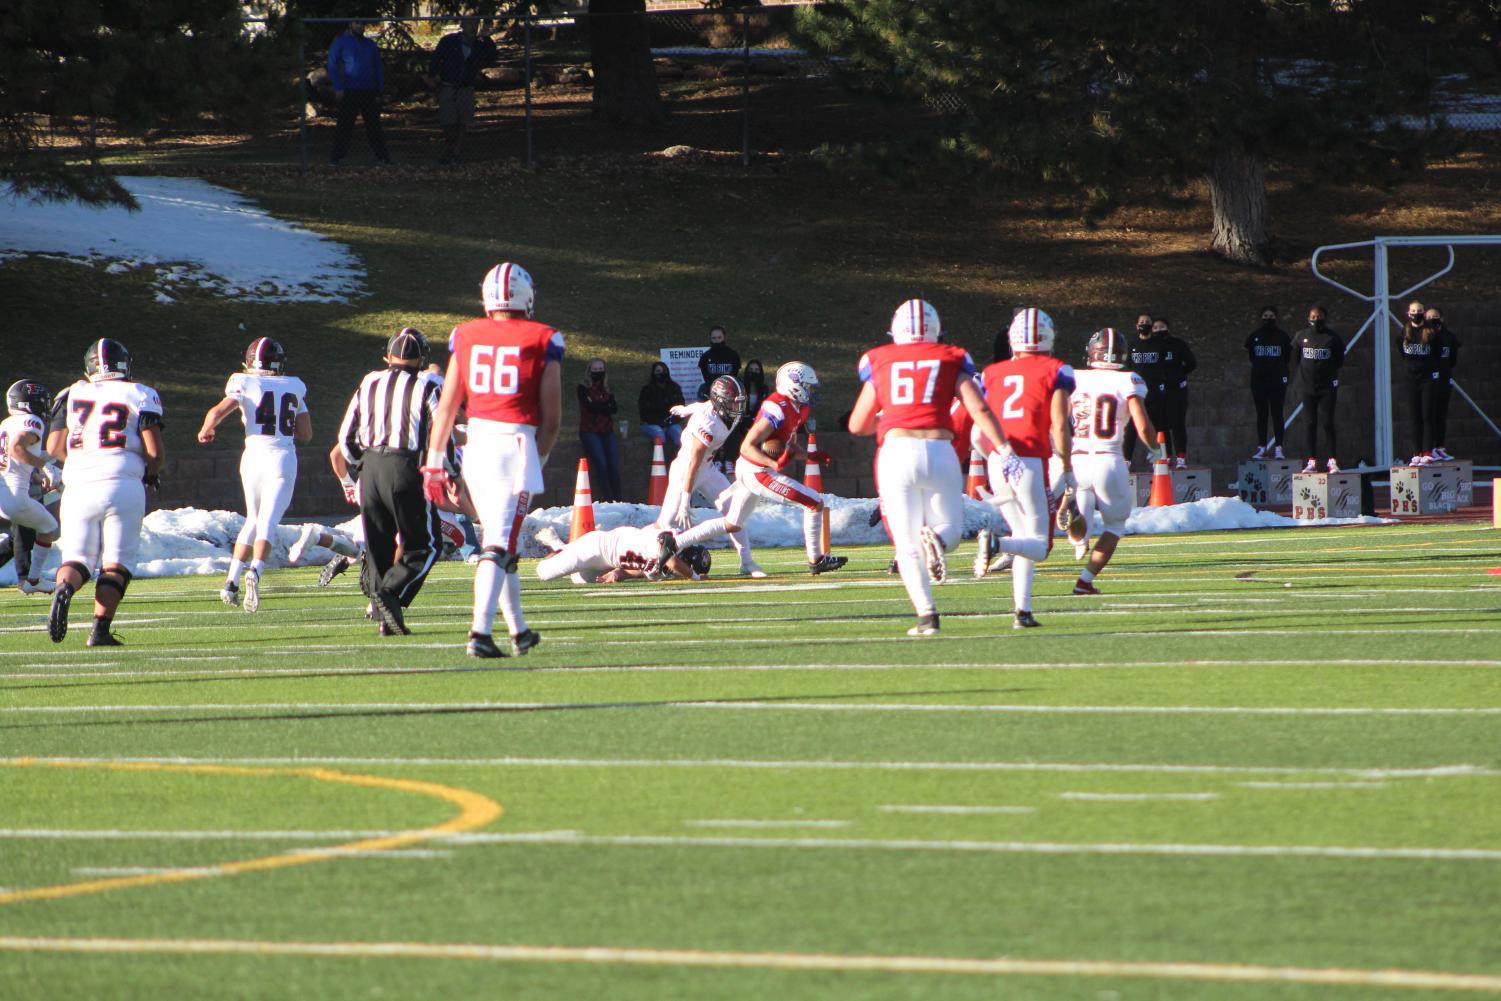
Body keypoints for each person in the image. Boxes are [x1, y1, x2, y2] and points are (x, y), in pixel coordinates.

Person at [423, 261, 562, 659]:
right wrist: (541, 456)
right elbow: (552, 418)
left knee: (502, 540)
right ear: (527, 296)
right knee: (498, 543)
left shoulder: (465, 335)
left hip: (477, 445)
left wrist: (435, 460)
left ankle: (519, 631)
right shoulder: (544, 337)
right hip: (515, 445)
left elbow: (447, 407)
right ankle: (479, 632)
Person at [848, 299, 1012, 636]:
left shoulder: (879, 359)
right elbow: (979, 408)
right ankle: (936, 539)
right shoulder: (951, 357)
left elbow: (857, 425)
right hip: (940, 449)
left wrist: (888, 415)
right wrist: (1005, 449)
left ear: (895, 329)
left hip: (896, 451)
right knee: (950, 530)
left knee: (906, 544)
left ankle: (927, 616)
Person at [670, 361, 847, 575]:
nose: (810, 391)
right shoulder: (777, 408)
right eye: (807, 386)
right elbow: (747, 447)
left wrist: (809, 456)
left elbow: (788, 446)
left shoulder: (797, 408)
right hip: (756, 471)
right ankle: (816, 559)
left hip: (755, 469)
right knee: (814, 502)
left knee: (733, 523)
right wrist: (773, 463)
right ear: (795, 386)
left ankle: (675, 543)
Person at [47, 339, 165, 647]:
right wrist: (151, 474)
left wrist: (83, 461)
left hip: (79, 483)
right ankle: (99, 630)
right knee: (116, 562)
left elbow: (54, 448)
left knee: (78, 558)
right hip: (122, 481)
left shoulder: (71, 393)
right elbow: (154, 450)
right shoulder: (140, 393)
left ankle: (65, 589)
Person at [335, 327, 444, 636]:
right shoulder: (426, 385)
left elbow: (345, 437)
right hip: (405, 466)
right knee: (425, 546)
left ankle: (388, 620)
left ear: (388, 356)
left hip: (369, 467)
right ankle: (392, 592)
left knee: (379, 546)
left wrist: (362, 466)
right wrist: (448, 470)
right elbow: (441, 432)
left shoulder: (369, 382)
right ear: (423, 359)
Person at [972, 308, 1075, 629]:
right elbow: (1060, 424)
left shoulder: (992, 372)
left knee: (1023, 536)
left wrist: (991, 455)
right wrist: (1068, 465)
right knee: (1041, 545)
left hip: (997, 460)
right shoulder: (1057, 369)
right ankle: (995, 545)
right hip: (1029, 460)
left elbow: (978, 431)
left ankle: (1022, 611)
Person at [197, 338, 312, 612]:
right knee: (268, 522)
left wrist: (207, 428)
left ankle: (231, 581)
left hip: (252, 457)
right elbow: (306, 434)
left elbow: (218, 410)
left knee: (253, 519)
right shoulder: (294, 385)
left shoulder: (243, 382)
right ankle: (256, 571)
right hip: (281, 458)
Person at [1066, 328, 1162, 595]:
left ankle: (1078, 528)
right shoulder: (1128, 379)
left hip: (1077, 457)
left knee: (1082, 488)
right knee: (1115, 526)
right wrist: (1156, 449)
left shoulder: (1074, 377)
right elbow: (1142, 426)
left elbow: (1060, 418)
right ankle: (1084, 581)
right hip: (1108, 458)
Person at [656, 375, 762, 577]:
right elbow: (693, 463)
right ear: (721, 401)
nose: (737, 406)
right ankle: (643, 555)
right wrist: (686, 499)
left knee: (734, 510)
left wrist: (684, 409)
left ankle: (747, 562)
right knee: (666, 524)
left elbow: (700, 405)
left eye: (739, 402)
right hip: (686, 471)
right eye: (733, 402)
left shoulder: (724, 411)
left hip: (707, 468)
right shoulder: (708, 424)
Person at [0, 381, 61, 595]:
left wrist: (41, 466)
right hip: (16, 496)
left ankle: (31, 579)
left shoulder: (7, 423)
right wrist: (44, 467)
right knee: (48, 526)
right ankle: (33, 579)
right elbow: (18, 448)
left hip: (4, 494)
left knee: (31, 531)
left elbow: (17, 456)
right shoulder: (32, 420)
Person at [534, 523, 710, 584]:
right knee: (544, 573)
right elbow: (671, 561)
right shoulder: (671, 540)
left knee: (579, 580)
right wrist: (694, 577)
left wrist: (619, 573)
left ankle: (566, 549)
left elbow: (643, 569)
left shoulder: (666, 562)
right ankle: (558, 546)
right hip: (596, 548)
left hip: (609, 563)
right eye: (689, 568)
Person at [425, 17, 497, 165]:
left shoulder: (479, 45)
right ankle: (449, 148)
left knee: (464, 121)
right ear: (463, 25)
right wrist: (432, 76)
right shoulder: (449, 41)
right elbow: (436, 59)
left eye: (476, 24)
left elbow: (492, 56)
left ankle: (456, 152)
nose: (473, 27)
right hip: (448, 86)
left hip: (466, 87)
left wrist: (487, 38)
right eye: (470, 23)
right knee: (448, 121)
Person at [328, 20, 390, 166]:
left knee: (374, 125)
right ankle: (336, 157)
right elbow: (332, 65)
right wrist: (338, 87)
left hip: (369, 90)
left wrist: (379, 88)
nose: (360, 27)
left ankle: (382, 156)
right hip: (350, 90)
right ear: (350, 25)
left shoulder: (370, 45)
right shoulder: (341, 43)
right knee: (345, 125)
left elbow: (377, 67)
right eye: (357, 23)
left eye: (362, 24)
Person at [1291, 305, 1344, 473]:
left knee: (1328, 422)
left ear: (1325, 318)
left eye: (1319, 316)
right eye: (1313, 316)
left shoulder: (1332, 338)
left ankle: (1332, 460)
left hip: (1327, 387)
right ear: (1308, 318)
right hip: (1307, 387)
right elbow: (1296, 359)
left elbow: (1339, 360)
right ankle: (1312, 461)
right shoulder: (1301, 336)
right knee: (1310, 423)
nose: (1316, 319)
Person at [1148, 317, 1196, 467]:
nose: (1158, 330)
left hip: (1177, 389)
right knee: (1161, 424)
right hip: (1158, 390)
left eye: (1161, 327)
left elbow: (1192, 363)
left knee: (1177, 422)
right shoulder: (1150, 346)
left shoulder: (1178, 344)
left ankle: (1181, 457)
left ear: (1168, 328)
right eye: (1155, 328)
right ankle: (1166, 455)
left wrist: (1178, 375)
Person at [1245, 305, 1292, 459]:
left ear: (1276, 318)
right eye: (1265, 316)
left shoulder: (1283, 337)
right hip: (1259, 381)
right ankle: (1262, 447)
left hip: (1277, 380)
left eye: (1271, 316)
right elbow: (1252, 356)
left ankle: (1279, 447)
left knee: (1277, 413)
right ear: (1260, 318)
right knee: (1261, 414)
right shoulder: (1254, 337)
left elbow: (1286, 357)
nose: (1268, 318)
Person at [577, 359, 623, 502]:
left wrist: (599, 405)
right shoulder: (583, 387)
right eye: (595, 369)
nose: (598, 371)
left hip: (607, 429)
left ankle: (618, 499)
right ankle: (608, 499)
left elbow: (614, 408)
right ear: (589, 370)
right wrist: (605, 405)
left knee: (613, 465)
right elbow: (589, 407)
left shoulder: (608, 387)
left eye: (600, 368)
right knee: (601, 464)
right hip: (590, 430)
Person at [1121, 313, 1163, 466]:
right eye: (1141, 322)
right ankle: (1126, 461)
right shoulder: (1132, 345)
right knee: (1131, 427)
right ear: (1136, 326)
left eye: (1147, 322)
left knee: (1156, 425)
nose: (1144, 324)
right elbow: (1128, 368)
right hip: (1137, 391)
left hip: (1154, 392)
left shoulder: (1158, 344)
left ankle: (1158, 457)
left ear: (1152, 325)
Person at [1398, 299, 1434, 463]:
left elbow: (1438, 353)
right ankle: (1416, 452)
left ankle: (1427, 452)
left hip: (1426, 379)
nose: (1416, 314)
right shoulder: (1404, 332)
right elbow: (1401, 351)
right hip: (1411, 379)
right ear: (1408, 313)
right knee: (1414, 416)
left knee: (1426, 415)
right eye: (1413, 311)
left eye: (1419, 311)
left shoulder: (1430, 332)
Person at [1423, 307, 1460, 462]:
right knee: (1429, 415)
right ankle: (1429, 448)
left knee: (1441, 415)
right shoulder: (1423, 336)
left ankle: (1440, 446)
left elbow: (1452, 359)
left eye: (1435, 316)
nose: (1433, 319)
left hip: (1444, 380)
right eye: (1429, 317)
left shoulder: (1448, 337)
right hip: (1429, 380)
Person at [720, 359, 767, 470]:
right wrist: (743, 417)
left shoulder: (764, 388)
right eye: (751, 370)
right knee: (732, 429)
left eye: (756, 370)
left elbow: (764, 407)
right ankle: (729, 461)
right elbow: (735, 405)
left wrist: (755, 418)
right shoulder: (740, 386)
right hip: (741, 418)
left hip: (757, 420)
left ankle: (758, 461)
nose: (753, 372)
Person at [638, 361, 685, 459]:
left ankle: (679, 462)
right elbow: (643, 412)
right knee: (659, 434)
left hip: (671, 422)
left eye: (663, 370)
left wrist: (671, 421)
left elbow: (681, 407)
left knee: (680, 436)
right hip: (652, 423)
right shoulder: (647, 390)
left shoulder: (674, 388)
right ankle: (659, 463)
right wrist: (659, 422)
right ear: (653, 373)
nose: (661, 373)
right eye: (658, 371)